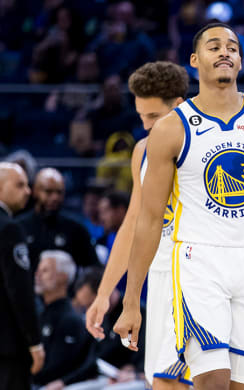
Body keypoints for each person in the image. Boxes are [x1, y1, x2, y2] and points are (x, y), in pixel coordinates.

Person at [114, 22, 244, 390]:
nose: (225, 52)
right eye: (214, 47)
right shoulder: (171, 128)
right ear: (195, 60)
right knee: (211, 379)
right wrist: (131, 300)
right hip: (198, 261)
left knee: (243, 386)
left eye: (232, 46)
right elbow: (148, 221)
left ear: (241, 62)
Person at [83, 61, 191, 390]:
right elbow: (131, 225)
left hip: (197, 275)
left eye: (154, 117)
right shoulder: (142, 151)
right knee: (159, 381)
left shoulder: (206, 148)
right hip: (158, 279)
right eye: (141, 117)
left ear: (179, 106)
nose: (145, 127)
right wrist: (103, 294)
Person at [0, 162, 44, 390]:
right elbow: (20, 291)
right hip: (7, 347)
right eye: (20, 185)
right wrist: (34, 342)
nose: (28, 191)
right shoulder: (9, 229)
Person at [16, 167, 100, 274]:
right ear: (35, 192)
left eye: (59, 192)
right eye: (48, 192)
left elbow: (94, 268)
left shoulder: (76, 229)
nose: (55, 197)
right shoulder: (19, 227)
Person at [33, 250, 98, 388]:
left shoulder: (70, 320)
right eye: (38, 270)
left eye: (45, 271)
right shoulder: (40, 313)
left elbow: (58, 368)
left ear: (63, 277)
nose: (37, 275)